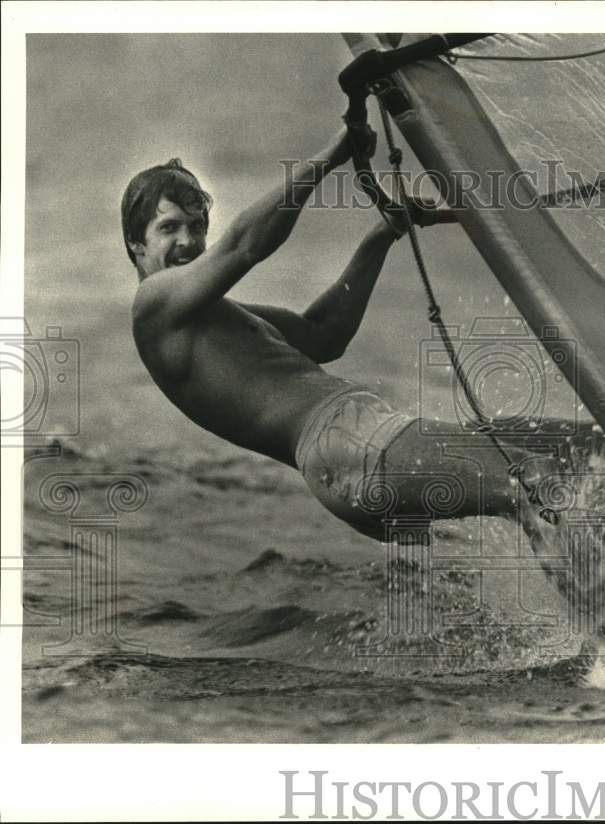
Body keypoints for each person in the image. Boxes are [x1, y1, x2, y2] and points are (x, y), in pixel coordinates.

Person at [123, 129, 570, 542]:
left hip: (354, 451)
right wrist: (334, 153)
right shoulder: (152, 307)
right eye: (169, 228)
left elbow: (325, 334)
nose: (189, 241)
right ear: (136, 245)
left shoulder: (216, 317)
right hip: (347, 443)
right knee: (530, 479)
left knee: (547, 451)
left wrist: (383, 234)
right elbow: (245, 244)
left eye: (197, 227)